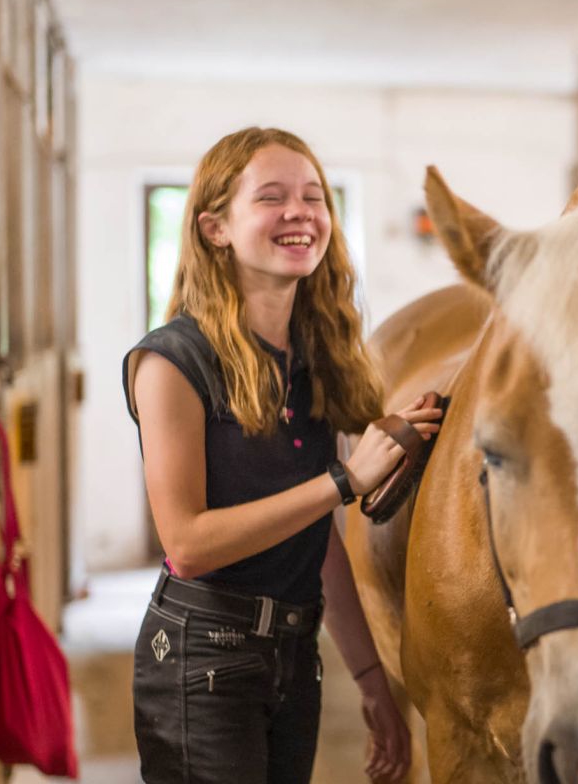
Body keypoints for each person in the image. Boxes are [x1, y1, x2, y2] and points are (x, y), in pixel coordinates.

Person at [123, 127, 438, 784]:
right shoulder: (172, 360)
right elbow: (188, 544)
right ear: (215, 228)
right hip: (202, 655)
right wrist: (346, 478)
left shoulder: (315, 362)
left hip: (295, 653)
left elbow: (315, 539)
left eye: (313, 197)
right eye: (271, 197)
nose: (300, 213)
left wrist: (373, 679)